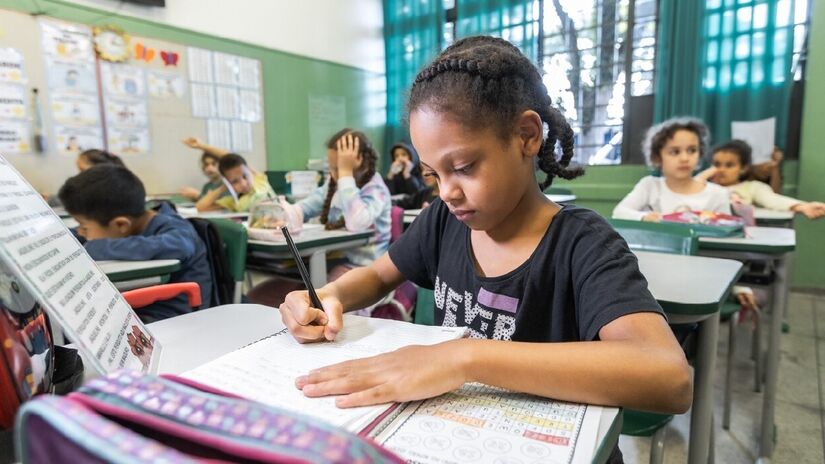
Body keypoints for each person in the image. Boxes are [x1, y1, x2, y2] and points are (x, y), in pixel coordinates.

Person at [279, 36, 691, 459]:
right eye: (433, 175)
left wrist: (465, 357)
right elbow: (378, 275)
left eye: (463, 167)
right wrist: (327, 297)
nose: (448, 192)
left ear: (526, 136)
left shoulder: (582, 244)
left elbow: (668, 378)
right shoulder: (444, 221)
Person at [247, 129, 391, 307]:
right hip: (333, 263)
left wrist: (345, 174)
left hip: (366, 271)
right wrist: (282, 216)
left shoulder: (375, 188)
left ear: (360, 160)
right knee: (262, 296)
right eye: (330, 167)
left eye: (338, 167)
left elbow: (357, 222)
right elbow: (303, 208)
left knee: (328, 303)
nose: (333, 173)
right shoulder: (332, 185)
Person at [58, 165, 213, 322]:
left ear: (121, 225)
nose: (81, 231)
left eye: (84, 227)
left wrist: (90, 247)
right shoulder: (128, 222)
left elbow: (181, 246)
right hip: (141, 307)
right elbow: (84, 234)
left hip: (173, 318)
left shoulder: (176, 230)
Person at [612, 117, 731, 221]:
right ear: (657, 157)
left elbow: (727, 231)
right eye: (675, 152)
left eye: (692, 150)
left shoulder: (718, 194)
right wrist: (644, 217)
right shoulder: (649, 186)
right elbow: (619, 212)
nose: (684, 158)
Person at [700, 139, 825, 219]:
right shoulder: (703, 187)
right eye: (716, 164)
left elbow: (773, 200)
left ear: (743, 168)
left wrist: (802, 207)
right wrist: (702, 180)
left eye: (729, 165)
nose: (721, 169)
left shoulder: (752, 187)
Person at [187, 138, 275, 212]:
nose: (243, 184)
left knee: (285, 231)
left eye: (245, 176)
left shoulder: (260, 180)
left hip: (282, 225)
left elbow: (229, 156)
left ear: (250, 171)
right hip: (260, 230)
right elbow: (200, 208)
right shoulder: (234, 202)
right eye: (234, 181)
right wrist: (223, 188)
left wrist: (202, 146)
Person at [179, 137, 227, 201]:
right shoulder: (207, 186)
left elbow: (222, 205)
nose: (209, 168)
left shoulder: (227, 185)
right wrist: (193, 197)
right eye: (206, 165)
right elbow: (203, 204)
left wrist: (198, 195)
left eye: (213, 164)